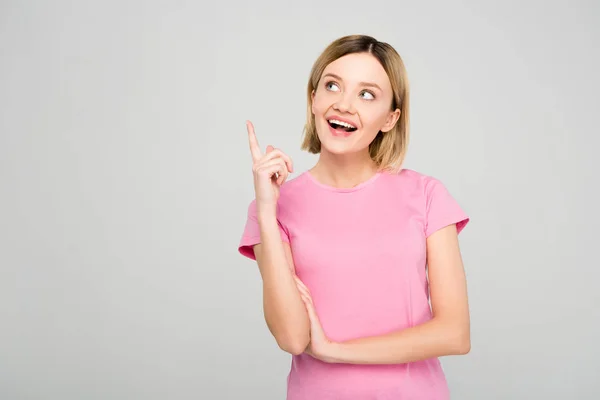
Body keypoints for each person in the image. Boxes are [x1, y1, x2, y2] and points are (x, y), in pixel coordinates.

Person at [238, 34, 471, 400]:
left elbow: (454, 334)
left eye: (366, 94)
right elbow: (293, 337)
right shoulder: (272, 209)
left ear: (390, 118)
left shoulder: (427, 196)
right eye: (332, 86)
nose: (343, 104)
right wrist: (267, 211)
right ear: (314, 98)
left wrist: (336, 350)